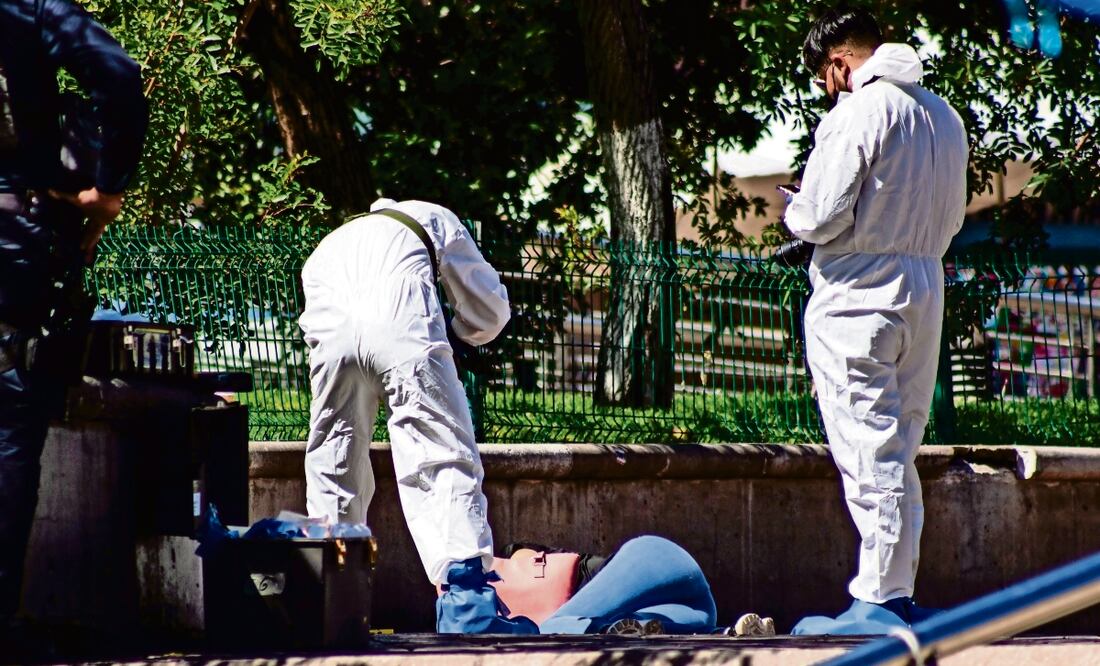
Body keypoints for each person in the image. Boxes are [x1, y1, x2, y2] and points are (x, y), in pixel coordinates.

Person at [781, 8, 968, 635]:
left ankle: (879, 602)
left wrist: (794, 216)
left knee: (868, 446)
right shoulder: (944, 115)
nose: (825, 91)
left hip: (858, 292)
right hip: (924, 283)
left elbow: (823, 213)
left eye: (823, 78)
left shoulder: (858, 111)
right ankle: (900, 591)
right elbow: (954, 217)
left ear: (837, 63)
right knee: (900, 445)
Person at [299, 197, 536, 634]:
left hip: (332, 341)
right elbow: (489, 310)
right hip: (402, 327)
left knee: (335, 460)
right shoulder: (429, 215)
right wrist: (462, 335)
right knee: (439, 451)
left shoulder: (327, 245)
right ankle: (468, 605)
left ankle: (331, 602)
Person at [0, 0, 147, 641]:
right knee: (7, 424)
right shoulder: (30, 8)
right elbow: (117, 75)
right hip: (16, 229)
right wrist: (106, 187)